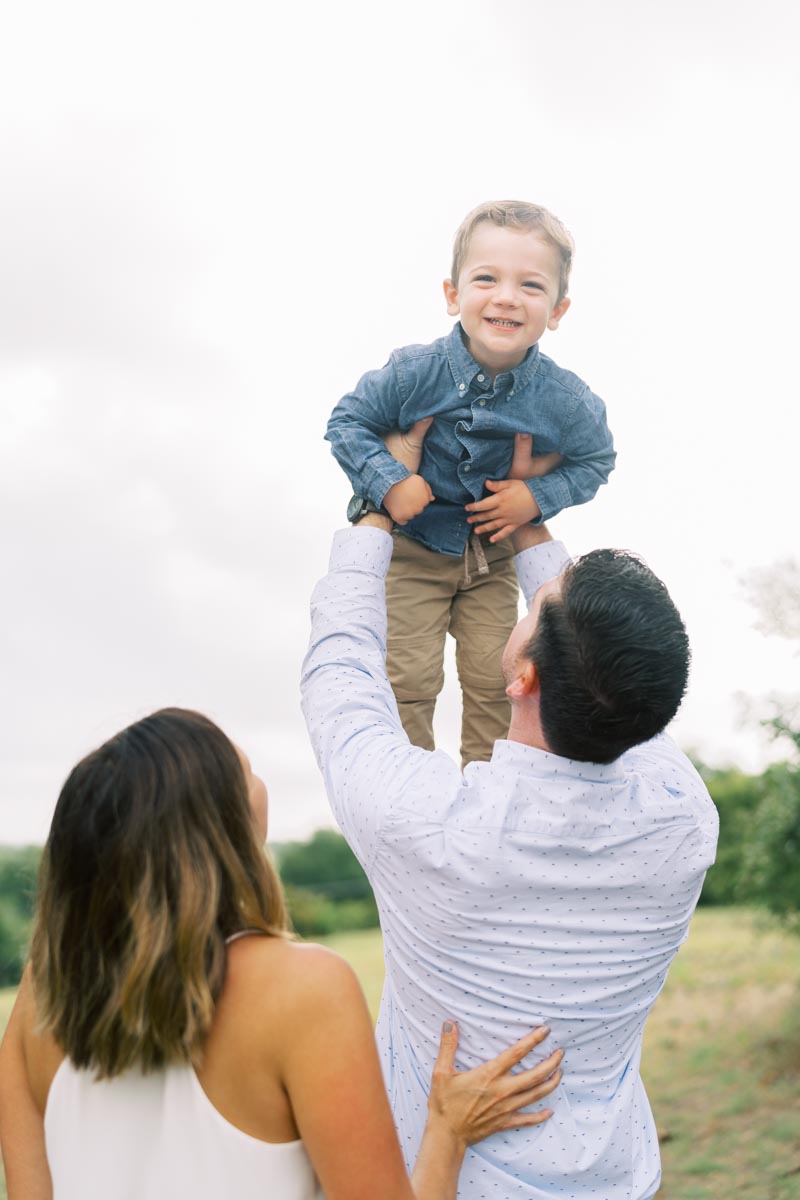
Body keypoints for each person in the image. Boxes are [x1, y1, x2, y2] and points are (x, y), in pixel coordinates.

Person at [300, 463, 719, 1199]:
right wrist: (526, 523)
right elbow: (616, 683)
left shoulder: (429, 823)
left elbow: (341, 682)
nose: (527, 605)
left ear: (521, 676)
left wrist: (372, 510)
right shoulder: (683, 820)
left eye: (537, 607)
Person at [0, 708, 565, 1200]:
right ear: (218, 831)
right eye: (246, 772)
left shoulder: (41, 999)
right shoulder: (303, 990)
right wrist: (447, 1130)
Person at [325, 200, 616, 766]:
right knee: (408, 676)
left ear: (557, 310)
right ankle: (411, 788)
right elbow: (346, 422)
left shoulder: (566, 401)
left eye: (530, 285)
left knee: (500, 677)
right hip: (413, 550)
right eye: (487, 278)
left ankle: (487, 790)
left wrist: (536, 495)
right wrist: (390, 484)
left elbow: (596, 459)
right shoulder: (414, 372)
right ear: (453, 294)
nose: (506, 296)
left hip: (492, 560)